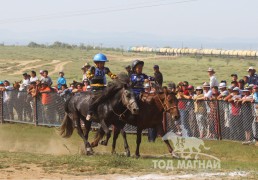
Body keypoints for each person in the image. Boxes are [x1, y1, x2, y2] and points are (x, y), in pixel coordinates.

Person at [86, 53, 117, 120]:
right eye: (101, 63)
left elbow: (111, 74)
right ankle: (89, 113)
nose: (103, 64)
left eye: (103, 63)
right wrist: (92, 75)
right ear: (96, 63)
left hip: (103, 86)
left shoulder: (106, 69)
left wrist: (115, 77)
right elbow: (88, 75)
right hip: (94, 87)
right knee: (93, 98)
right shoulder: (93, 68)